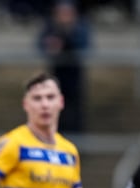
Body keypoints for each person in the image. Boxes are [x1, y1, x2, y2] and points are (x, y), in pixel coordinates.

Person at [37, 0, 91, 134]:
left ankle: (76, 139)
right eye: (61, 13)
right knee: (55, 109)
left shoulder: (80, 28)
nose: (64, 16)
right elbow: (39, 45)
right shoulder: (50, 28)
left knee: (74, 111)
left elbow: (86, 47)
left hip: (74, 77)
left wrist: (69, 41)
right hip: (56, 75)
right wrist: (50, 47)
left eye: (67, 13)